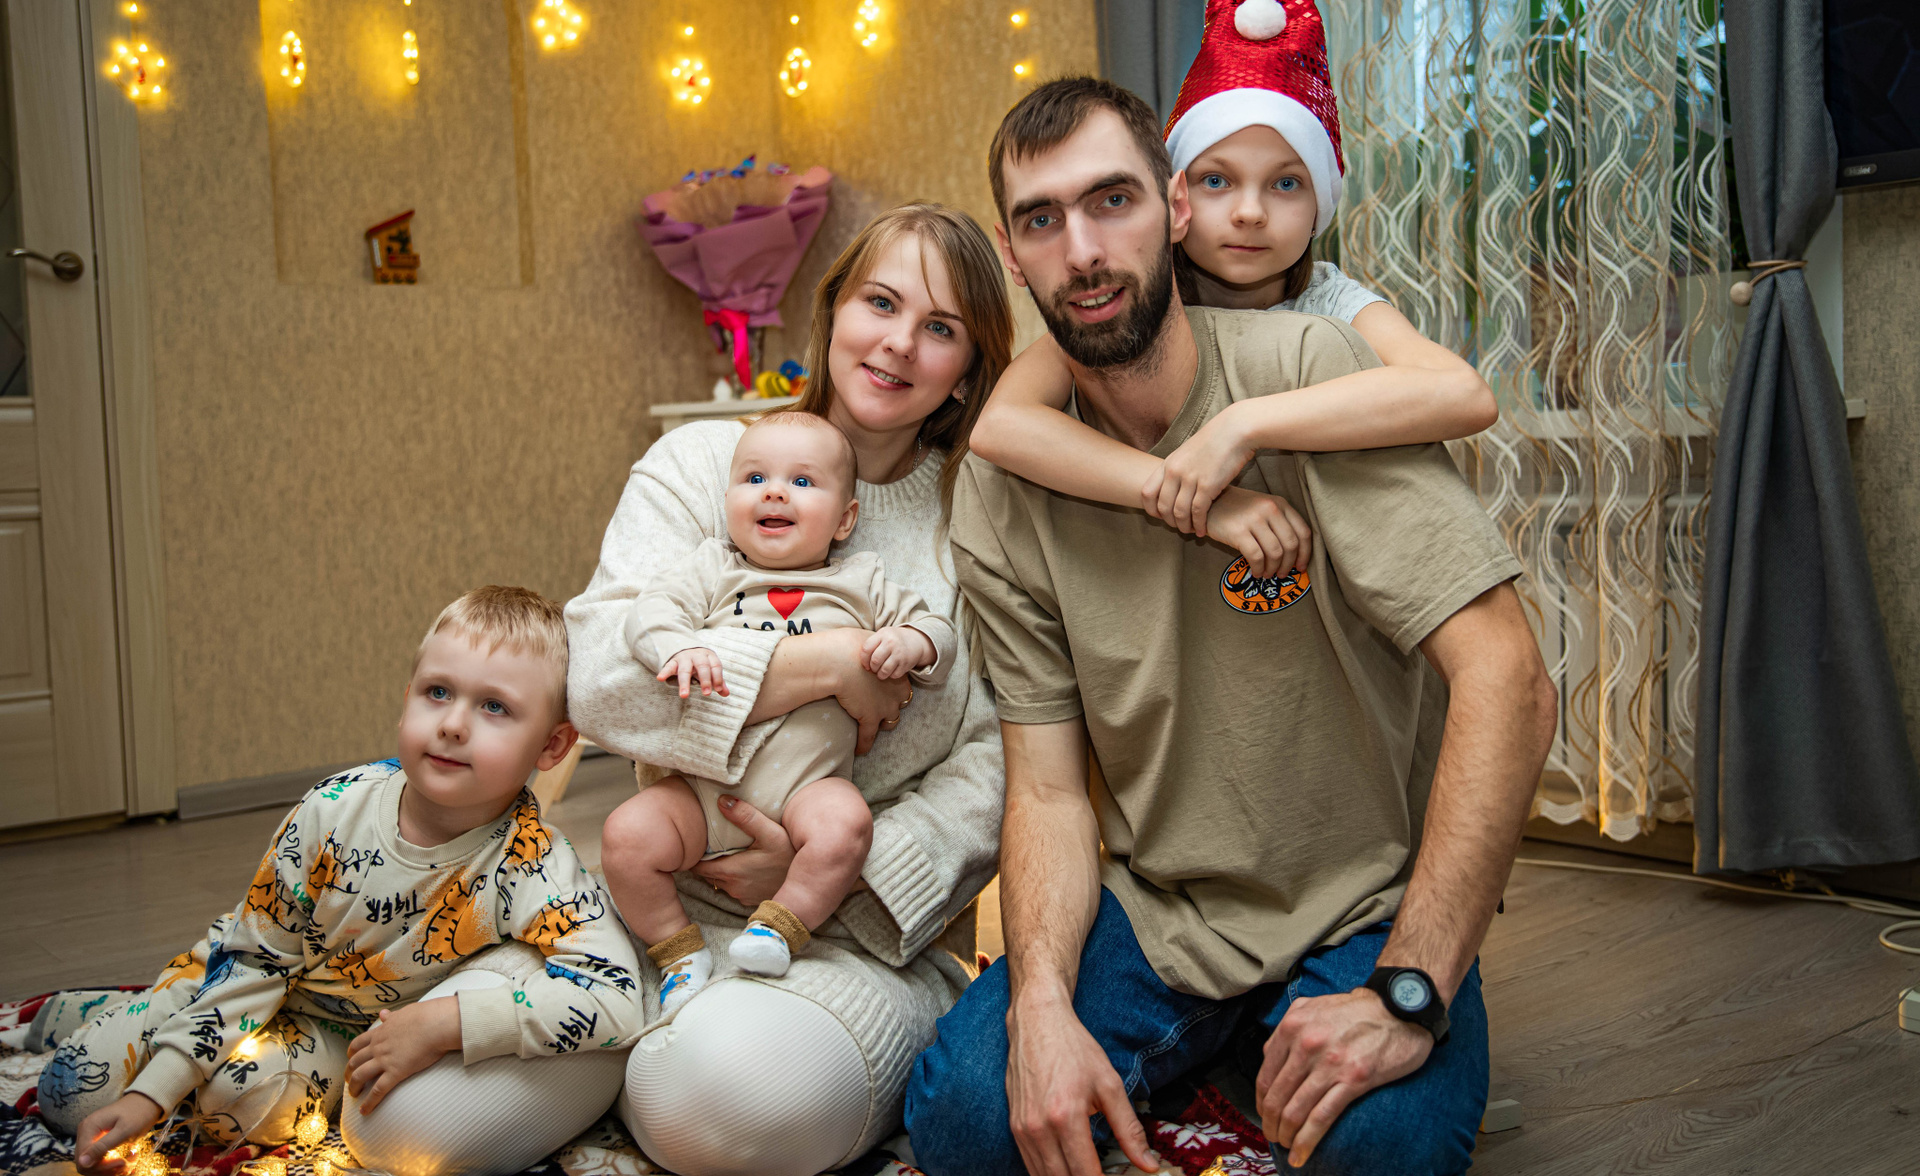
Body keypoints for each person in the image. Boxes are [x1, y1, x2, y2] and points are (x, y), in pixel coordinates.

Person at [904, 76, 1557, 1176]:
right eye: (1042, 220)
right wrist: (1043, 1003)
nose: (1083, 250)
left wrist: (1412, 984)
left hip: (1361, 904)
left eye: (1112, 201)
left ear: (1174, 209)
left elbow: (1510, 678)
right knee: (971, 1119)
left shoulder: (1307, 374)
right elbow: (1049, 790)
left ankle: (1253, 1054)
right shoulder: (1003, 484)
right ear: (1012, 256)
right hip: (1160, 910)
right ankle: (1221, 1055)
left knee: (1385, 1153)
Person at [566, 203, 1012, 1176]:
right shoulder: (706, 463)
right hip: (660, 899)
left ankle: (649, 1071)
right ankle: (650, 1032)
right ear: (834, 308)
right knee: (427, 1117)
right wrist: (832, 664)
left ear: (969, 370)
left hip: (857, 941)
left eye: (940, 327)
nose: (899, 342)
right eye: (880, 303)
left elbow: (999, 762)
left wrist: (831, 877)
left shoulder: (982, 521)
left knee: (719, 1103)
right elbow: (598, 676)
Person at [40, 587, 642, 1175]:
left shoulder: (533, 863)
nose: (454, 724)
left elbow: (617, 998)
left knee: (236, 1105)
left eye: (494, 707)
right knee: (70, 1095)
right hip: (235, 978)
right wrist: (153, 1092)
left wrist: (451, 1021)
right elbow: (255, 963)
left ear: (552, 746)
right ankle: (93, 1010)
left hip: (338, 1031)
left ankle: (167, 1048)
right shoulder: (331, 810)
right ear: (406, 701)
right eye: (437, 692)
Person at [969, 0, 1497, 580]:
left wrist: (1243, 426)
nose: (1249, 212)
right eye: (1217, 180)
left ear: (1320, 206)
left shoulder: (1332, 303)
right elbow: (1003, 426)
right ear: (1178, 202)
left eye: (1286, 183)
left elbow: (1464, 395)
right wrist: (1189, 494)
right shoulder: (1143, 301)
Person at [609, 409, 954, 1015]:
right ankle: (677, 952)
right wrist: (679, 647)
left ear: (845, 519)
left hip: (807, 791)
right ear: (728, 502)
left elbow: (938, 631)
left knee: (847, 825)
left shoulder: (862, 581)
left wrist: (912, 642)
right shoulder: (714, 569)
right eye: (754, 478)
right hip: (702, 792)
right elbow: (648, 614)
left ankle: (777, 930)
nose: (773, 492)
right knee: (624, 836)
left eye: (801, 481)